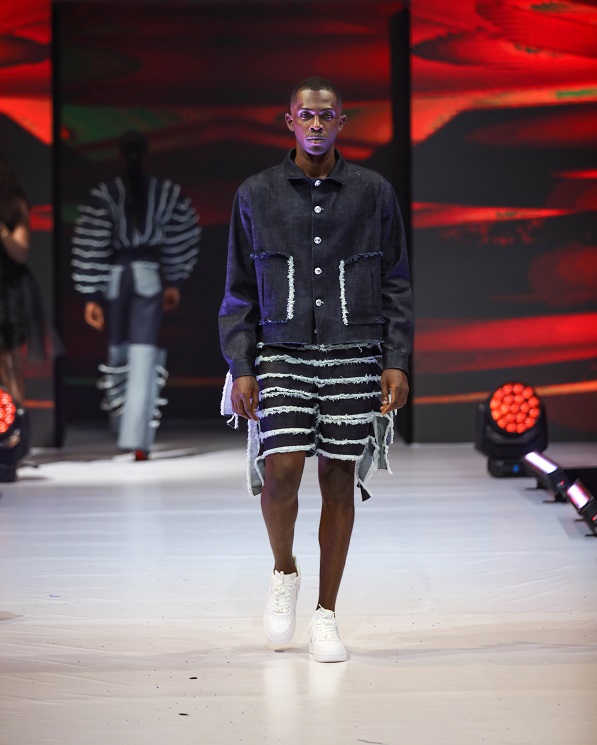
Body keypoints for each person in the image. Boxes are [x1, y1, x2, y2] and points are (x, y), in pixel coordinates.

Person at [219, 78, 414, 662]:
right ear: (290, 122)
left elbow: (396, 281)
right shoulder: (256, 193)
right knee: (281, 468)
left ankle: (326, 615)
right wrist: (241, 363)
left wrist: (396, 359)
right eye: (306, 115)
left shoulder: (374, 193)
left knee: (338, 479)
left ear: (341, 122)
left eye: (326, 116)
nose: (316, 124)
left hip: (354, 350)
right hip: (281, 349)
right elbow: (238, 286)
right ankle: (284, 572)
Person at [72, 130, 201, 460]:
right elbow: (182, 234)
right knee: (143, 353)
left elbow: (91, 242)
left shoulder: (107, 193)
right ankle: (138, 438)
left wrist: (91, 293)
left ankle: (122, 429)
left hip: (116, 276)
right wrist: (173, 278)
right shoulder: (165, 192)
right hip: (148, 275)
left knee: (119, 350)